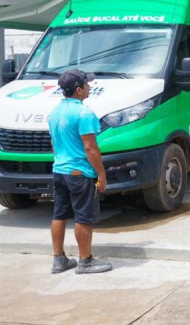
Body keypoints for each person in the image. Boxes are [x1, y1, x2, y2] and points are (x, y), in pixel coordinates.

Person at [48, 69, 113, 274]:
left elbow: (53, 143)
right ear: (78, 89)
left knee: (59, 215)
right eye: (86, 84)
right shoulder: (84, 113)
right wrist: (101, 174)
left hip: (59, 170)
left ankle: (59, 260)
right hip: (80, 173)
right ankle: (85, 261)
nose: (89, 87)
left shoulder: (55, 112)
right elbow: (91, 148)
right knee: (83, 217)